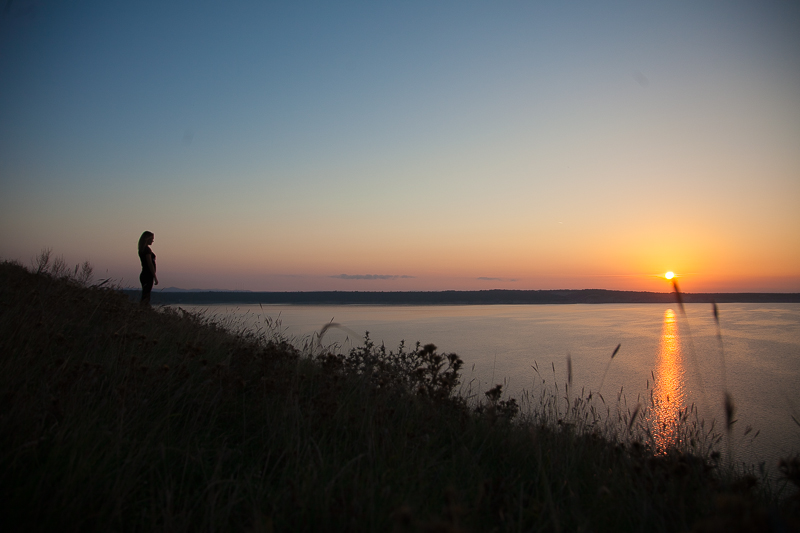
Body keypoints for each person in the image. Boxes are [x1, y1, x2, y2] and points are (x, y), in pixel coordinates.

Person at [138, 231, 158, 305]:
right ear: (147, 239)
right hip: (147, 275)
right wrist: (155, 277)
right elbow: (150, 264)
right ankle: (143, 310)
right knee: (146, 295)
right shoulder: (147, 250)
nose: (153, 240)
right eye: (152, 238)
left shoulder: (142, 249)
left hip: (145, 274)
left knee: (145, 294)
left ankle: (143, 309)